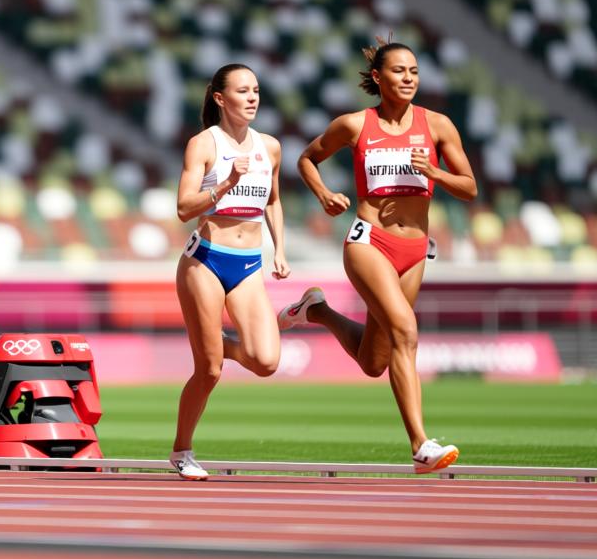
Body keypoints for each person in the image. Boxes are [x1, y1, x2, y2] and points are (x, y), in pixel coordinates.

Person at [280, 39, 477, 473]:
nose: (408, 79)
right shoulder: (354, 125)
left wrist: (435, 172)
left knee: (375, 362)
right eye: (399, 71)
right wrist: (325, 195)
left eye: (415, 72)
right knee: (406, 330)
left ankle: (317, 311)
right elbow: (307, 158)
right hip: (369, 241)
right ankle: (421, 445)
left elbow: (469, 187)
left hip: (415, 249)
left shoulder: (438, 125)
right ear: (377, 78)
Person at [171, 63, 290, 481]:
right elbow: (184, 208)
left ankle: (218, 342)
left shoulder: (270, 146)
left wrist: (279, 248)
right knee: (210, 370)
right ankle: (182, 450)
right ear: (221, 99)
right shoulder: (204, 145)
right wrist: (223, 185)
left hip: (249, 263)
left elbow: (273, 200)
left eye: (256, 90)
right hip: (205, 260)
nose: (253, 97)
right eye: (243, 91)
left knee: (266, 361)